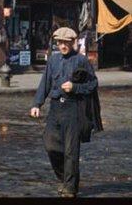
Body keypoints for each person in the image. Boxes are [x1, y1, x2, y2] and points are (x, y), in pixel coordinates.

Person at [30, 27, 99, 198]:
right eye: (60, 42)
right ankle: (65, 178)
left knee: (71, 151)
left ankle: (70, 188)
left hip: (73, 109)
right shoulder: (53, 60)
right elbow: (45, 82)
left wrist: (75, 87)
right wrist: (37, 104)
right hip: (55, 109)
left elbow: (93, 84)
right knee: (50, 145)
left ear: (73, 42)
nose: (62, 46)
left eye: (66, 42)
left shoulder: (81, 61)